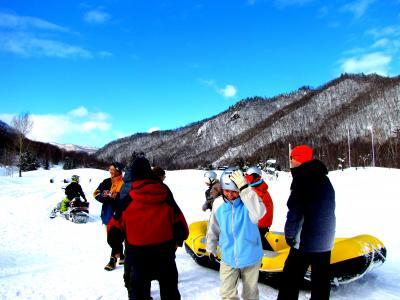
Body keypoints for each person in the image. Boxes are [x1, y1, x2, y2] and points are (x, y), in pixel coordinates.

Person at [107, 157, 189, 300]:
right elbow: (181, 225)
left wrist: (117, 248)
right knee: (170, 293)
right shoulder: (164, 192)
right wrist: (177, 241)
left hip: (137, 256)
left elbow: (113, 228)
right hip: (165, 255)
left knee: (138, 293)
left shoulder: (129, 199)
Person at [277, 145, 336, 300]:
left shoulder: (302, 179)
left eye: (292, 158)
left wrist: (289, 235)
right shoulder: (324, 179)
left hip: (306, 240)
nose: (290, 162)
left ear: (298, 159)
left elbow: (295, 212)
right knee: (321, 281)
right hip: (325, 240)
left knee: (290, 279)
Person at [206, 168, 266, 300]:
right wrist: (211, 247)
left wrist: (245, 188)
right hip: (228, 257)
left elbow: (259, 213)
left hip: (250, 256)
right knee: (227, 294)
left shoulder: (249, 202)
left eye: (234, 192)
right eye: (226, 191)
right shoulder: (218, 204)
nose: (230, 195)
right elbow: (213, 227)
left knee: (250, 294)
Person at [93, 162, 125, 271]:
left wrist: (118, 196)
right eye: (109, 169)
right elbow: (96, 194)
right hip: (108, 213)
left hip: (122, 214)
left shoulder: (125, 183)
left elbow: (129, 197)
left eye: (113, 169)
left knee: (121, 236)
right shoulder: (106, 182)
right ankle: (121, 254)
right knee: (111, 239)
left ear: (118, 170)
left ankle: (113, 260)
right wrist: (106, 197)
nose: (110, 171)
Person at [245, 166, 274, 250]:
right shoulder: (259, 188)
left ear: (254, 177)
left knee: (260, 244)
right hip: (263, 223)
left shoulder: (256, 191)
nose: (246, 178)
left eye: (248, 176)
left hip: (259, 223)